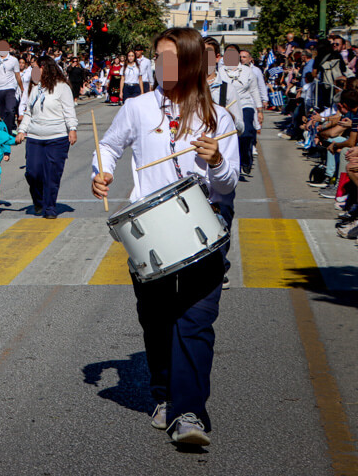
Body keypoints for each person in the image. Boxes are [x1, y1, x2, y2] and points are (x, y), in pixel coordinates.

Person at [92, 26, 239, 446]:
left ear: (192, 62)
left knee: (195, 323)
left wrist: (215, 163)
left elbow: (227, 186)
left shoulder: (218, 117)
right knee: (156, 322)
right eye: (159, 58)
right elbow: (110, 146)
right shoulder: (138, 108)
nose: (164, 66)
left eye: (172, 58)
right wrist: (99, 174)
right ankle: (162, 394)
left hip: (201, 233)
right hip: (148, 235)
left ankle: (189, 412)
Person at [16, 56, 78, 219]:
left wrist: (72, 129)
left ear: (46, 68)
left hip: (57, 137)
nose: (33, 71)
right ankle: (38, 200)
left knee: (52, 174)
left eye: (36, 68)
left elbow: (69, 110)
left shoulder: (62, 87)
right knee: (32, 172)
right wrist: (22, 130)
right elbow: (28, 112)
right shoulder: (36, 88)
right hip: (35, 137)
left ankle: (50, 208)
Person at [216, 44, 262, 178]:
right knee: (232, 135)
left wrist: (259, 110)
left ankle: (246, 158)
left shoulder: (248, 72)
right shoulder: (220, 71)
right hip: (227, 106)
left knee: (246, 133)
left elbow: (254, 90)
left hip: (245, 104)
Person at [0, 40, 23, 133]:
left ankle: (9, 130)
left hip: (10, 88)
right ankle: (1, 131)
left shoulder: (14, 60)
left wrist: (21, 87)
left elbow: (17, 75)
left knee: (10, 109)